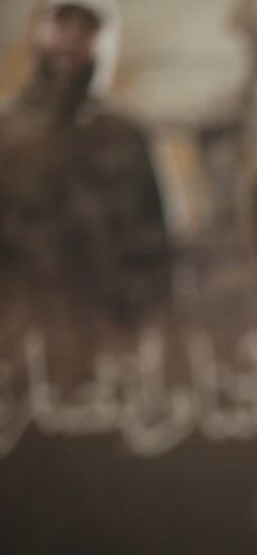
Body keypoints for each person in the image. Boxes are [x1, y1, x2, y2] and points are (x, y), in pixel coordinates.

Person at [0, 0, 169, 326]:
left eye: (86, 28)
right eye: (62, 24)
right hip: (18, 327)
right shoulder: (5, 134)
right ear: (38, 31)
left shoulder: (128, 137)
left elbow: (158, 248)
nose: (71, 38)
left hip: (109, 328)